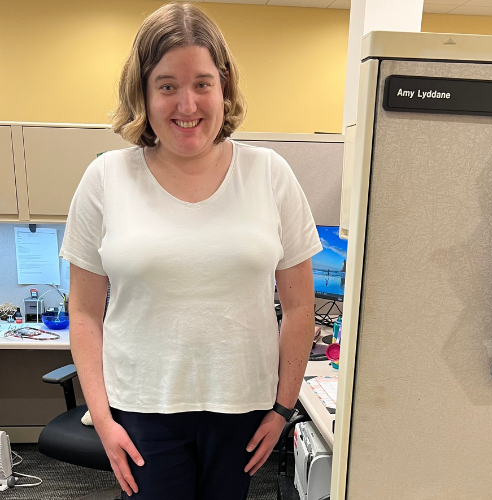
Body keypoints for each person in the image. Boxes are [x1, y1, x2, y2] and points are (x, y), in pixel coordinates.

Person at [60, 3, 322, 499]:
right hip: (141, 410)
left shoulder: (269, 174)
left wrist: (284, 407)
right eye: (166, 85)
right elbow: (85, 312)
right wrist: (103, 415)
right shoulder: (106, 179)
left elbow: (299, 306)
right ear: (143, 91)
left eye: (202, 83)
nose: (187, 104)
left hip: (242, 410)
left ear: (224, 85)